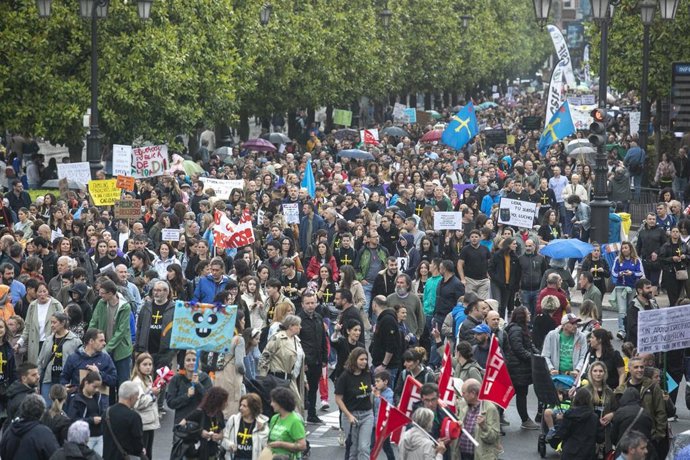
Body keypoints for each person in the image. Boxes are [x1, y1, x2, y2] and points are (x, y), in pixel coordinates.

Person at [88, 280, 133, 401]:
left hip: (120, 350)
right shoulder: (101, 303)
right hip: (102, 347)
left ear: (111, 293)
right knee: (106, 382)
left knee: (122, 381)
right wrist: (90, 338)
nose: (100, 295)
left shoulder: (125, 306)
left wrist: (107, 348)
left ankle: (123, 406)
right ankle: (108, 408)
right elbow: (94, 320)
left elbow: (121, 331)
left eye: (103, 293)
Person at [613, 356, 666, 453]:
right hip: (627, 439)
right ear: (629, 369)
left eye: (642, 367)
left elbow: (661, 412)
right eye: (636, 367)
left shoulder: (653, 386)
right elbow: (617, 414)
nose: (640, 370)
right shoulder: (621, 390)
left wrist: (658, 435)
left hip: (648, 437)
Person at [258, 314, 306, 412]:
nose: (300, 327)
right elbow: (265, 356)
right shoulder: (278, 338)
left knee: (297, 406)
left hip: (291, 379)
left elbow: (298, 361)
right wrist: (263, 377)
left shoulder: (296, 340)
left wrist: (304, 378)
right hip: (277, 379)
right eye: (298, 325)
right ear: (291, 326)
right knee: (282, 408)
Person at [504, 306, 539, 430]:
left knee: (517, 393)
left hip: (519, 368)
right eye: (527, 313)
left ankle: (500, 415)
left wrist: (537, 354)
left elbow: (529, 344)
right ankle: (524, 419)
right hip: (517, 369)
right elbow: (518, 349)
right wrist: (533, 358)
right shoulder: (516, 330)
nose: (529, 314)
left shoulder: (521, 329)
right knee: (516, 393)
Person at [335, 347, 373, 460]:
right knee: (353, 450)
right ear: (354, 359)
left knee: (364, 448)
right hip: (351, 416)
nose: (364, 362)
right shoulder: (345, 377)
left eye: (366, 359)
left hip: (367, 415)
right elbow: (338, 398)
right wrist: (348, 415)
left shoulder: (368, 373)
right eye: (361, 359)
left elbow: (370, 389)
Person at [14, 281, 63, 366]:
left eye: (44, 291)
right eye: (39, 292)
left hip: (51, 342)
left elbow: (63, 324)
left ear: (48, 292)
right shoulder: (32, 306)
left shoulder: (56, 305)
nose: (42, 294)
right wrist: (19, 343)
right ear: (36, 293)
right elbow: (27, 327)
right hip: (35, 343)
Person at [37, 312, 81, 405]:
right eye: (51, 323)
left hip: (65, 381)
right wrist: (37, 380)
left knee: (64, 407)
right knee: (47, 407)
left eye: (54, 322)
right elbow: (40, 361)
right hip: (48, 379)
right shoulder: (48, 340)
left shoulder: (75, 341)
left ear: (63, 323)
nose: (52, 325)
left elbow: (79, 363)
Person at [297, 291, 327, 424]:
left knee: (314, 387)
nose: (310, 306)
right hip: (304, 360)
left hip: (317, 359)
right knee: (302, 390)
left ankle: (312, 414)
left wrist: (325, 358)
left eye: (312, 303)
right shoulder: (298, 320)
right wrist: (302, 361)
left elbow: (322, 340)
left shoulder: (318, 318)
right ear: (302, 304)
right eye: (307, 303)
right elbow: (297, 342)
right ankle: (300, 416)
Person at [0, 394, 59, 460]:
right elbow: (54, 455)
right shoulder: (44, 433)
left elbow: (3, 452)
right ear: (42, 412)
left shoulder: (10, 429)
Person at [59, 328, 117, 394]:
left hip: (99, 401)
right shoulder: (74, 358)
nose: (104, 343)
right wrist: (65, 388)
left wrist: (99, 374)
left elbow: (113, 380)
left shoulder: (106, 358)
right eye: (101, 341)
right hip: (78, 401)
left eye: (104, 340)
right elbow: (64, 377)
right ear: (91, 341)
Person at [456, 378, 501, 460]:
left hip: (479, 456)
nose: (462, 395)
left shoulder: (490, 409)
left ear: (473, 393)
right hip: (461, 454)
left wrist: (484, 426)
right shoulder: (462, 404)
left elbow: (493, 438)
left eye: (464, 393)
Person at [554, 387, 604, 460]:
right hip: (587, 453)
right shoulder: (594, 417)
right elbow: (600, 438)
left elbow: (561, 433)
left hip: (570, 451)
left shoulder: (569, 414)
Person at [166, 350, 214, 424]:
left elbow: (210, 400)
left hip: (200, 422)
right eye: (188, 360)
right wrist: (187, 396)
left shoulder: (205, 378)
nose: (191, 362)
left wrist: (198, 384)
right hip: (181, 422)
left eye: (194, 360)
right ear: (184, 363)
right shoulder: (176, 379)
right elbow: (171, 403)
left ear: (198, 362)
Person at [66, 370, 108, 455]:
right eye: (94, 387)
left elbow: (101, 412)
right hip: (85, 438)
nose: (96, 390)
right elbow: (72, 420)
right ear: (86, 383)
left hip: (99, 436)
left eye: (98, 387)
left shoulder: (98, 397)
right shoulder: (76, 399)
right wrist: (91, 420)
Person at [181, 386, 228, 460]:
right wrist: (200, 432)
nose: (226, 404)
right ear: (218, 401)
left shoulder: (219, 414)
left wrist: (218, 436)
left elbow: (222, 433)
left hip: (212, 453)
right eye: (225, 401)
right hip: (197, 454)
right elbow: (181, 426)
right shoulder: (199, 412)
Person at [216, 305, 246, 419]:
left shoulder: (220, 337)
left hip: (219, 373)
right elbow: (239, 364)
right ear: (238, 321)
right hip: (232, 374)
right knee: (232, 403)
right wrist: (244, 371)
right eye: (243, 320)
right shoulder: (239, 339)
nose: (244, 322)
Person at [102, 381, 145, 460]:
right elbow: (137, 443)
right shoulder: (133, 417)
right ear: (131, 397)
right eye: (137, 396)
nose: (137, 398)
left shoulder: (107, 413)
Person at [130, 353, 160, 459]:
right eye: (145, 364)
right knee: (143, 454)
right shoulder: (137, 381)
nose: (148, 367)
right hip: (142, 422)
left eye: (150, 364)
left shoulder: (148, 378)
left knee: (148, 453)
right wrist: (152, 395)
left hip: (149, 421)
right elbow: (138, 403)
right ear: (138, 366)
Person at [612, 242, 644, 340]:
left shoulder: (636, 260)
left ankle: (630, 328)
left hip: (632, 287)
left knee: (631, 309)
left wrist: (632, 273)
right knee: (622, 310)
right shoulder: (618, 260)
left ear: (630, 249)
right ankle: (621, 330)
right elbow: (614, 272)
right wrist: (621, 273)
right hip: (620, 287)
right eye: (622, 248)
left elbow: (641, 272)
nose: (624, 250)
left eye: (626, 248)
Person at [265, 387, 307, 458]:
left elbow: (302, 445)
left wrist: (281, 444)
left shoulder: (295, 421)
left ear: (281, 403)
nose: (271, 404)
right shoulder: (274, 418)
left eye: (273, 401)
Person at [541, 313, 588, 378]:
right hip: (555, 374)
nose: (575, 326)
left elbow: (583, 357)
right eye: (572, 323)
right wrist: (551, 369)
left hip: (574, 375)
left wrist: (577, 370)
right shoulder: (552, 335)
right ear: (563, 325)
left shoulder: (581, 337)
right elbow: (545, 355)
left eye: (576, 323)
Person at [369, 295, 402, 387]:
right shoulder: (382, 319)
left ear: (374, 305)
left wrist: (383, 365)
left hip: (387, 368)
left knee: (385, 396)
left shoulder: (388, 320)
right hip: (379, 364)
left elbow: (391, 345)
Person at [489, 237, 521, 320]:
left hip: (508, 285)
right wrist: (496, 278)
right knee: (497, 304)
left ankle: (501, 322)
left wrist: (516, 285)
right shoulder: (497, 255)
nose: (516, 245)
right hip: (497, 283)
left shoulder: (515, 257)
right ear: (508, 245)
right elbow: (490, 268)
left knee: (503, 306)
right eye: (513, 244)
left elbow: (517, 273)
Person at [517, 237, 547, 318]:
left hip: (537, 289)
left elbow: (545, 273)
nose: (528, 248)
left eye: (530, 246)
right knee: (526, 311)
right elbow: (517, 274)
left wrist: (543, 287)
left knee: (536, 310)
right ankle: (527, 326)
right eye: (526, 246)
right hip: (524, 289)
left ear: (534, 246)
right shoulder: (520, 259)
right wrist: (518, 288)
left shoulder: (541, 258)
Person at [659, 226, 688, 307]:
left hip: (681, 272)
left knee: (680, 294)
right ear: (671, 233)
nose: (675, 233)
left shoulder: (683, 244)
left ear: (679, 234)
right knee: (672, 294)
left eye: (677, 232)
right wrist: (672, 258)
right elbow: (661, 259)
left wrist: (685, 257)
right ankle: (673, 308)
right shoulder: (666, 245)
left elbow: (689, 255)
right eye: (673, 231)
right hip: (670, 272)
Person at [4, 361, 40, 429]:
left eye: (38, 373)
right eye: (33, 375)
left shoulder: (19, 392)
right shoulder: (23, 401)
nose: (38, 377)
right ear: (24, 378)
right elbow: (20, 427)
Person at [625, 279, 658, 347]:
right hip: (638, 344)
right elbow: (632, 327)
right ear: (640, 290)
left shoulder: (653, 303)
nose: (650, 290)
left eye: (650, 287)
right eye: (647, 288)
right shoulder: (633, 306)